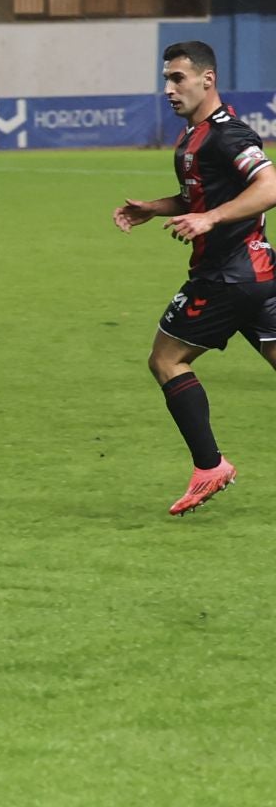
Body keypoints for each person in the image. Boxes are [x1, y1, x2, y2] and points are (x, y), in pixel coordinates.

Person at [112, 40, 276, 515]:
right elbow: (202, 197)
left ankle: (210, 466)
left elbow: (269, 186)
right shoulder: (193, 137)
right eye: (166, 78)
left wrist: (212, 219)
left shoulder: (228, 135)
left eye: (178, 78)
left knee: (166, 360)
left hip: (225, 277)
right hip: (260, 273)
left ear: (208, 79)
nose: (168, 88)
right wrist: (155, 208)